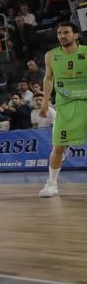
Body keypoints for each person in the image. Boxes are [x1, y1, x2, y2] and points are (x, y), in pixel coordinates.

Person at [39, 22, 87, 198]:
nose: (61, 35)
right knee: (58, 146)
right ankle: (51, 184)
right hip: (65, 106)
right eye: (59, 33)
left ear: (75, 35)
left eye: (66, 32)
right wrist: (45, 103)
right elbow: (48, 78)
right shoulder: (51, 55)